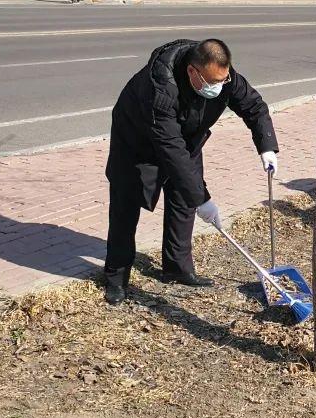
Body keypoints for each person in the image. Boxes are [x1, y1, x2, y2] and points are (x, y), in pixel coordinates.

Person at [103, 38, 279, 305]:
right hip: (136, 143)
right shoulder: (159, 88)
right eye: (212, 83)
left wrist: (266, 147)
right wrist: (203, 199)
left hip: (185, 139)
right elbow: (171, 150)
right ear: (191, 72)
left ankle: (176, 268)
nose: (218, 88)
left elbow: (254, 107)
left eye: (223, 80)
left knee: (183, 202)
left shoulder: (224, 78)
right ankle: (116, 277)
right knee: (125, 208)